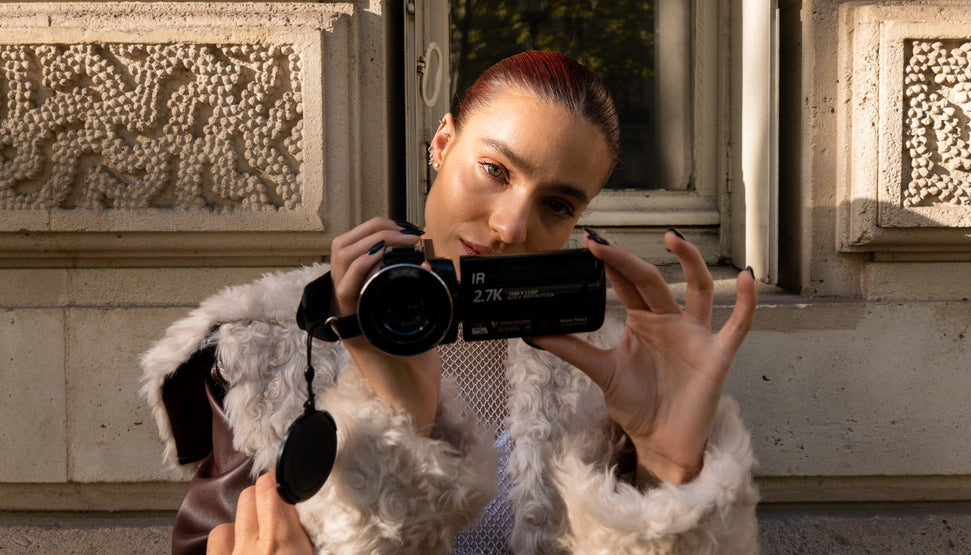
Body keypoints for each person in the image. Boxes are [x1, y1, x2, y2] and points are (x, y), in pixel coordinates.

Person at [141, 51, 759, 554]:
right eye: (495, 169)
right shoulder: (267, 348)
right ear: (443, 142)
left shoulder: (603, 379)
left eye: (558, 205)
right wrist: (398, 417)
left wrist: (667, 467)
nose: (512, 226)